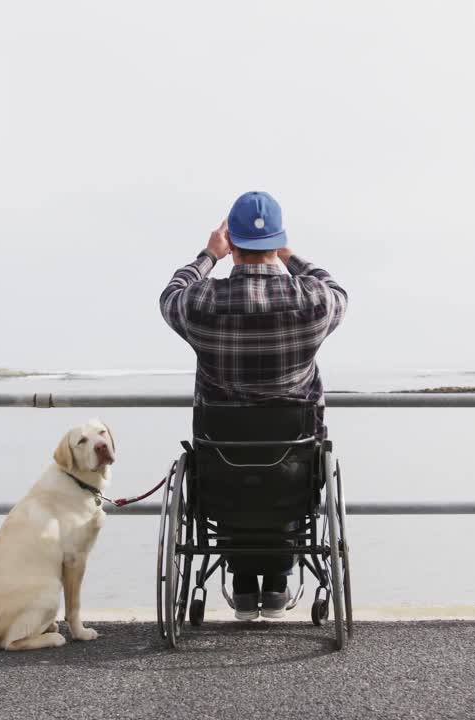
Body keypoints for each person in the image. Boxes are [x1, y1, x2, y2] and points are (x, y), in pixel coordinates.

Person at [159, 191, 348, 620]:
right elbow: (336, 289)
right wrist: (292, 255)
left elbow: (171, 293)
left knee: (236, 474)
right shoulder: (313, 303)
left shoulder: (202, 303)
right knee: (282, 471)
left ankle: (243, 585)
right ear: (276, 243)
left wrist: (208, 255)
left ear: (233, 245)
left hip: (220, 466)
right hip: (293, 470)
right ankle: (278, 583)